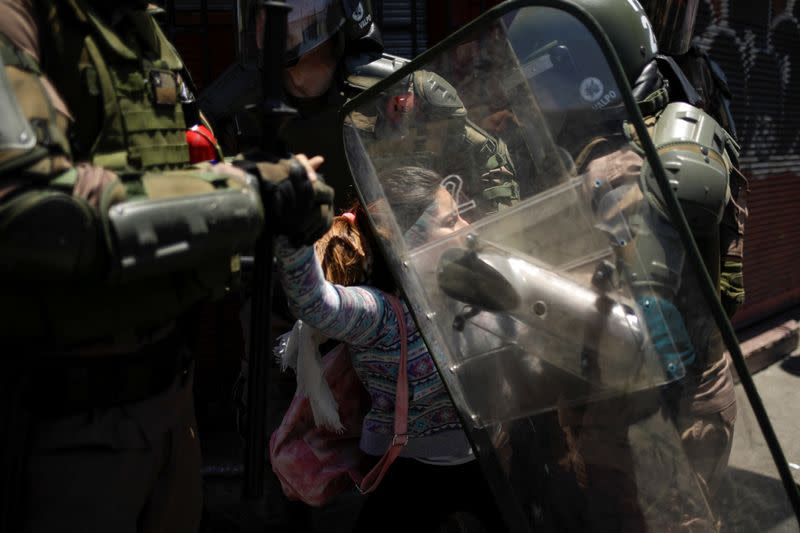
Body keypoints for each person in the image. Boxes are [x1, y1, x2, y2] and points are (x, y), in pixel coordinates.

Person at [0, 1, 333, 531]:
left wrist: (280, 192)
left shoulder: (142, 29)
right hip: (66, 417)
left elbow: (193, 161)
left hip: (171, 401)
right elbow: (33, 214)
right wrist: (244, 198)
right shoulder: (21, 18)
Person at [274, 165, 506, 533]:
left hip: (488, 460)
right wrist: (294, 230)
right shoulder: (379, 314)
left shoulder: (470, 282)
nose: (467, 227)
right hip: (413, 474)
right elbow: (314, 304)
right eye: (450, 222)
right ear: (404, 244)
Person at [201, 0, 518, 215]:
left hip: (398, 289)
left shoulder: (401, 93)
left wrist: (490, 242)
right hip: (292, 293)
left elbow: (488, 160)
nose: (267, 18)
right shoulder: (232, 112)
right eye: (259, 9)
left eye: (292, 5)